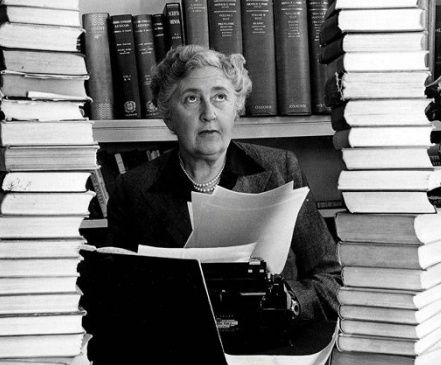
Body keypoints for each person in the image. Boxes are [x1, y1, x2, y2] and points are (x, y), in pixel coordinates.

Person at [104, 44, 341, 321]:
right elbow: (114, 300)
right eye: (192, 99)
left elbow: (332, 281)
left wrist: (286, 299)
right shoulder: (132, 190)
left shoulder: (280, 169)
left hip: (271, 340)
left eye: (220, 96)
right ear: (168, 116)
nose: (209, 113)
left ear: (236, 107)